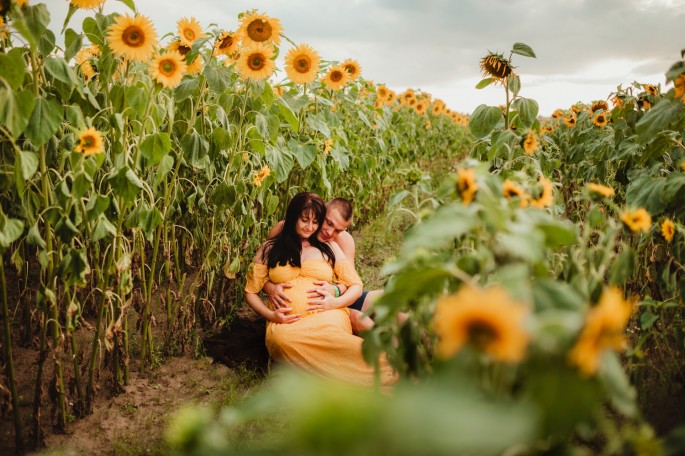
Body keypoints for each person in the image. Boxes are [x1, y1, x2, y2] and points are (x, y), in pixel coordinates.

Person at [244, 192, 397, 387]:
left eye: (315, 222)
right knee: (281, 340)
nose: (310, 227)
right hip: (288, 323)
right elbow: (251, 290)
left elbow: (354, 285)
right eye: (304, 220)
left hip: (326, 313)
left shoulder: (331, 246)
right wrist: (271, 313)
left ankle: (393, 367)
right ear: (294, 217)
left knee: (340, 338)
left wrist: (334, 300)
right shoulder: (271, 246)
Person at [264, 198, 382, 315]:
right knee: (357, 318)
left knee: (389, 300)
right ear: (320, 212)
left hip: (337, 300)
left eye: (338, 230)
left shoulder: (344, 240)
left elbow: (350, 281)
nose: (330, 233)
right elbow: (263, 271)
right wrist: (270, 288)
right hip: (311, 307)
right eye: (329, 223)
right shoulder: (285, 230)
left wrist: (335, 290)